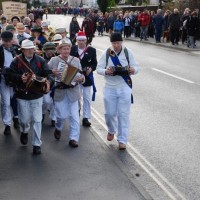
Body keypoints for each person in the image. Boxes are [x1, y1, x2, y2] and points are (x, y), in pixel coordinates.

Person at [7, 39, 53, 155]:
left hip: (37, 95)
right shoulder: (16, 61)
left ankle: (37, 144)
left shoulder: (40, 60)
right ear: (22, 50)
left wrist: (49, 83)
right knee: (24, 120)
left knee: (37, 120)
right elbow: (10, 75)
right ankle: (24, 131)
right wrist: (19, 78)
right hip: (22, 95)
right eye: (28, 49)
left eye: (32, 48)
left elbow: (49, 74)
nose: (31, 50)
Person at [96, 32, 139, 150]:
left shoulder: (128, 52)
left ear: (121, 42)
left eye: (118, 43)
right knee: (109, 114)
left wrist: (132, 70)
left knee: (123, 114)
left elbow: (137, 67)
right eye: (114, 43)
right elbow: (98, 68)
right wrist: (106, 71)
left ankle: (122, 140)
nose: (116, 45)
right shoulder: (107, 53)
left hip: (124, 86)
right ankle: (111, 130)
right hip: (110, 87)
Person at [48, 39, 85, 148]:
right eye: (64, 49)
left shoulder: (76, 60)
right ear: (59, 50)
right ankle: (58, 128)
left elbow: (82, 76)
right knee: (61, 116)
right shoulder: (53, 60)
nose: (66, 51)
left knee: (75, 116)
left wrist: (80, 79)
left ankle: (74, 138)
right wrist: (52, 73)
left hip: (73, 91)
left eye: (68, 48)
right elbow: (45, 74)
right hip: (60, 91)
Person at [70, 31, 97, 127]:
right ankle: (76, 113)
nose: (81, 42)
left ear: (86, 40)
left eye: (83, 40)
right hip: (75, 77)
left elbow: (94, 63)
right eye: (79, 40)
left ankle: (86, 117)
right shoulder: (72, 49)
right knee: (76, 97)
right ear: (76, 41)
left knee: (87, 98)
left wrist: (91, 68)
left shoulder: (92, 50)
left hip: (87, 78)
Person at [0, 31, 20, 135]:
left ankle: (16, 118)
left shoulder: (16, 49)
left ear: (12, 40)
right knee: (6, 102)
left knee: (14, 99)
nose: (7, 43)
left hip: (15, 78)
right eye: (5, 41)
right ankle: (7, 124)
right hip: (4, 79)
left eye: (9, 41)